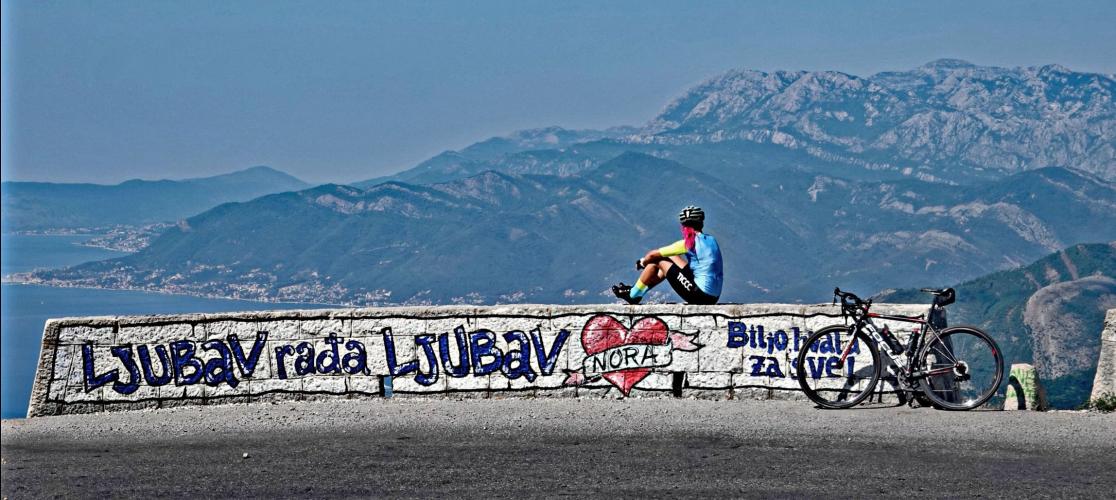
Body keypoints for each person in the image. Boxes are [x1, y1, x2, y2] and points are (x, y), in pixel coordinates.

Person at [612, 205, 723, 305]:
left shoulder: (688, 243)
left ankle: (633, 294)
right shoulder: (711, 240)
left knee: (659, 261)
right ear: (701, 223)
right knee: (669, 257)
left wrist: (642, 262)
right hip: (713, 297)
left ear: (683, 226)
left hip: (701, 296)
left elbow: (651, 255)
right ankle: (636, 292)